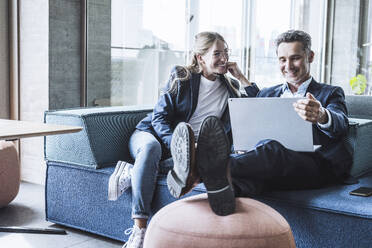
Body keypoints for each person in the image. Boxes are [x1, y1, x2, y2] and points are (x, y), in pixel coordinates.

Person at [168, 29, 352, 216]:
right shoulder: (268, 94)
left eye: (295, 58)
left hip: (316, 165)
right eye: (282, 59)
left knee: (270, 149)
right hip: (275, 168)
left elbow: (341, 123)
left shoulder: (330, 92)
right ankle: (224, 191)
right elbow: (251, 111)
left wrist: (322, 115)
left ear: (310, 56)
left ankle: (197, 170)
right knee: (251, 178)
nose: (288, 65)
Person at [107, 31, 243, 248]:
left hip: (192, 149)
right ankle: (139, 230)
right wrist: (179, 147)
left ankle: (134, 171)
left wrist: (242, 78)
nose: (224, 58)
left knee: (205, 160)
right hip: (152, 135)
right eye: (217, 53)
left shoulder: (231, 89)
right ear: (201, 57)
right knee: (151, 149)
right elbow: (159, 117)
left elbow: (254, 109)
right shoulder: (182, 77)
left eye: (226, 52)